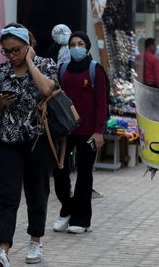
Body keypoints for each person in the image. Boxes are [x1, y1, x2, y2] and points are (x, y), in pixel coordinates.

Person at [0, 23, 58, 267]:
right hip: (7, 140)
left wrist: (30, 63)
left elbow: (47, 89)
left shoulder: (46, 65)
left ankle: (35, 241)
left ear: (28, 45)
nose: (11, 56)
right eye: (6, 51)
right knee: (7, 197)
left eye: (16, 50)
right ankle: (3, 250)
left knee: (37, 194)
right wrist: (1, 104)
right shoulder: (1, 71)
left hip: (37, 140)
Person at [51, 31, 108, 234]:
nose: (76, 47)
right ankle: (67, 209)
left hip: (89, 133)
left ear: (88, 47)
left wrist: (99, 131)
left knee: (84, 174)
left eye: (80, 43)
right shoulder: (63, 70)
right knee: (59, 172)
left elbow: (102, 103)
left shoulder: (96, 70)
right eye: (72, 44)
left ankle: (81, 220)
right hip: (65, 132)